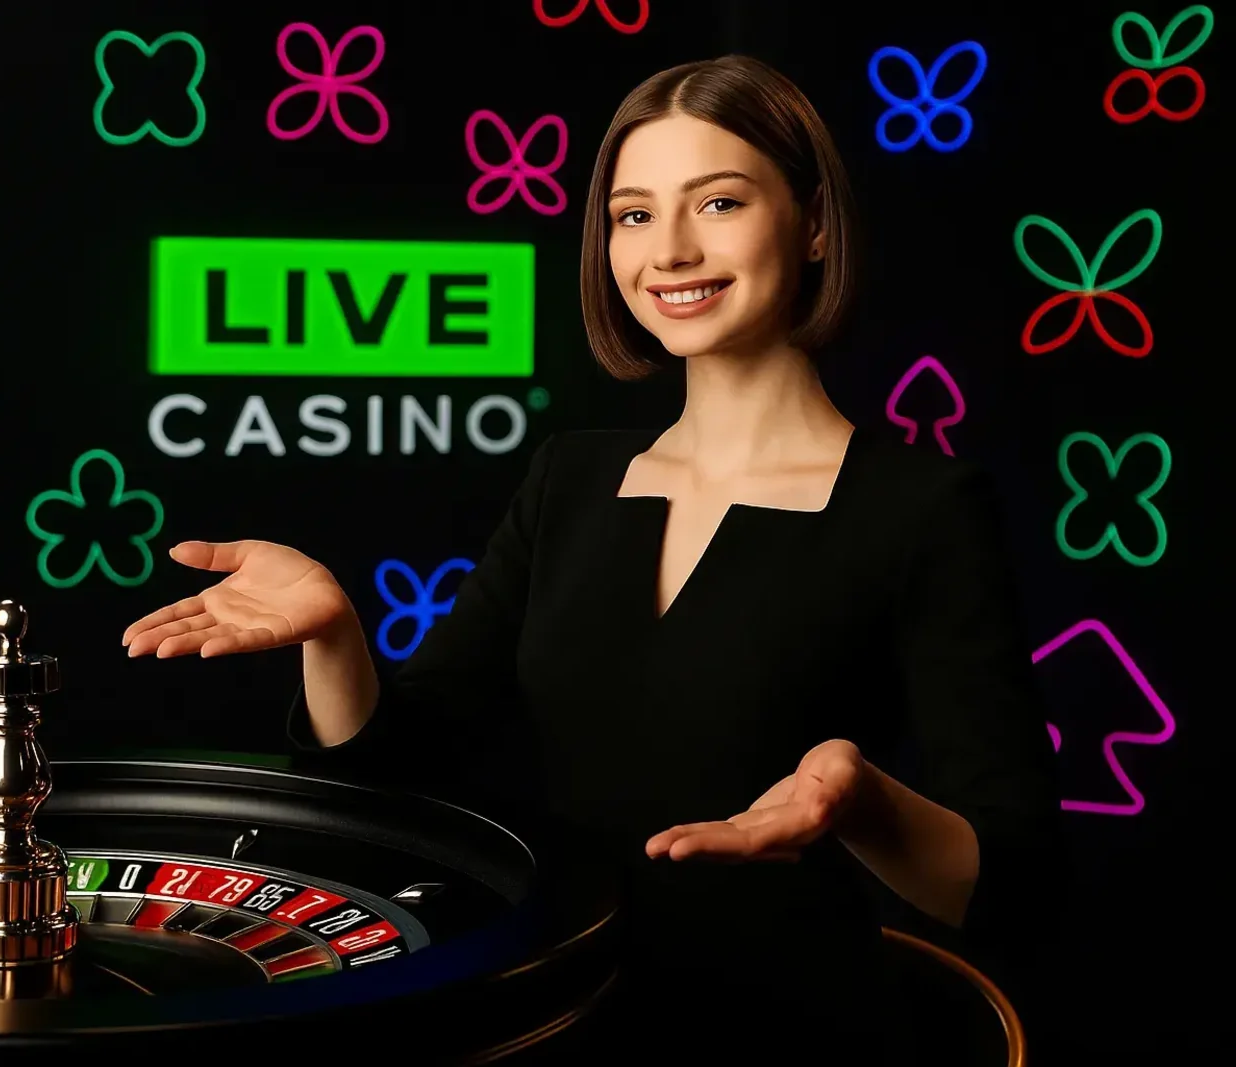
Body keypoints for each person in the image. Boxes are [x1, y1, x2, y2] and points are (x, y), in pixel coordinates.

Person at [123, 55, 1059, 1061]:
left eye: (720, 202)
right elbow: (408, 771)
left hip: (793, 1032)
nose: (672, 250)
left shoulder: (922, 506)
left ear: (816, 221)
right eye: (634, 214)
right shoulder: (570, 478)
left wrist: (862, 799)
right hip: (546, 1016)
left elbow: (1013, 882)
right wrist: (335, 636)